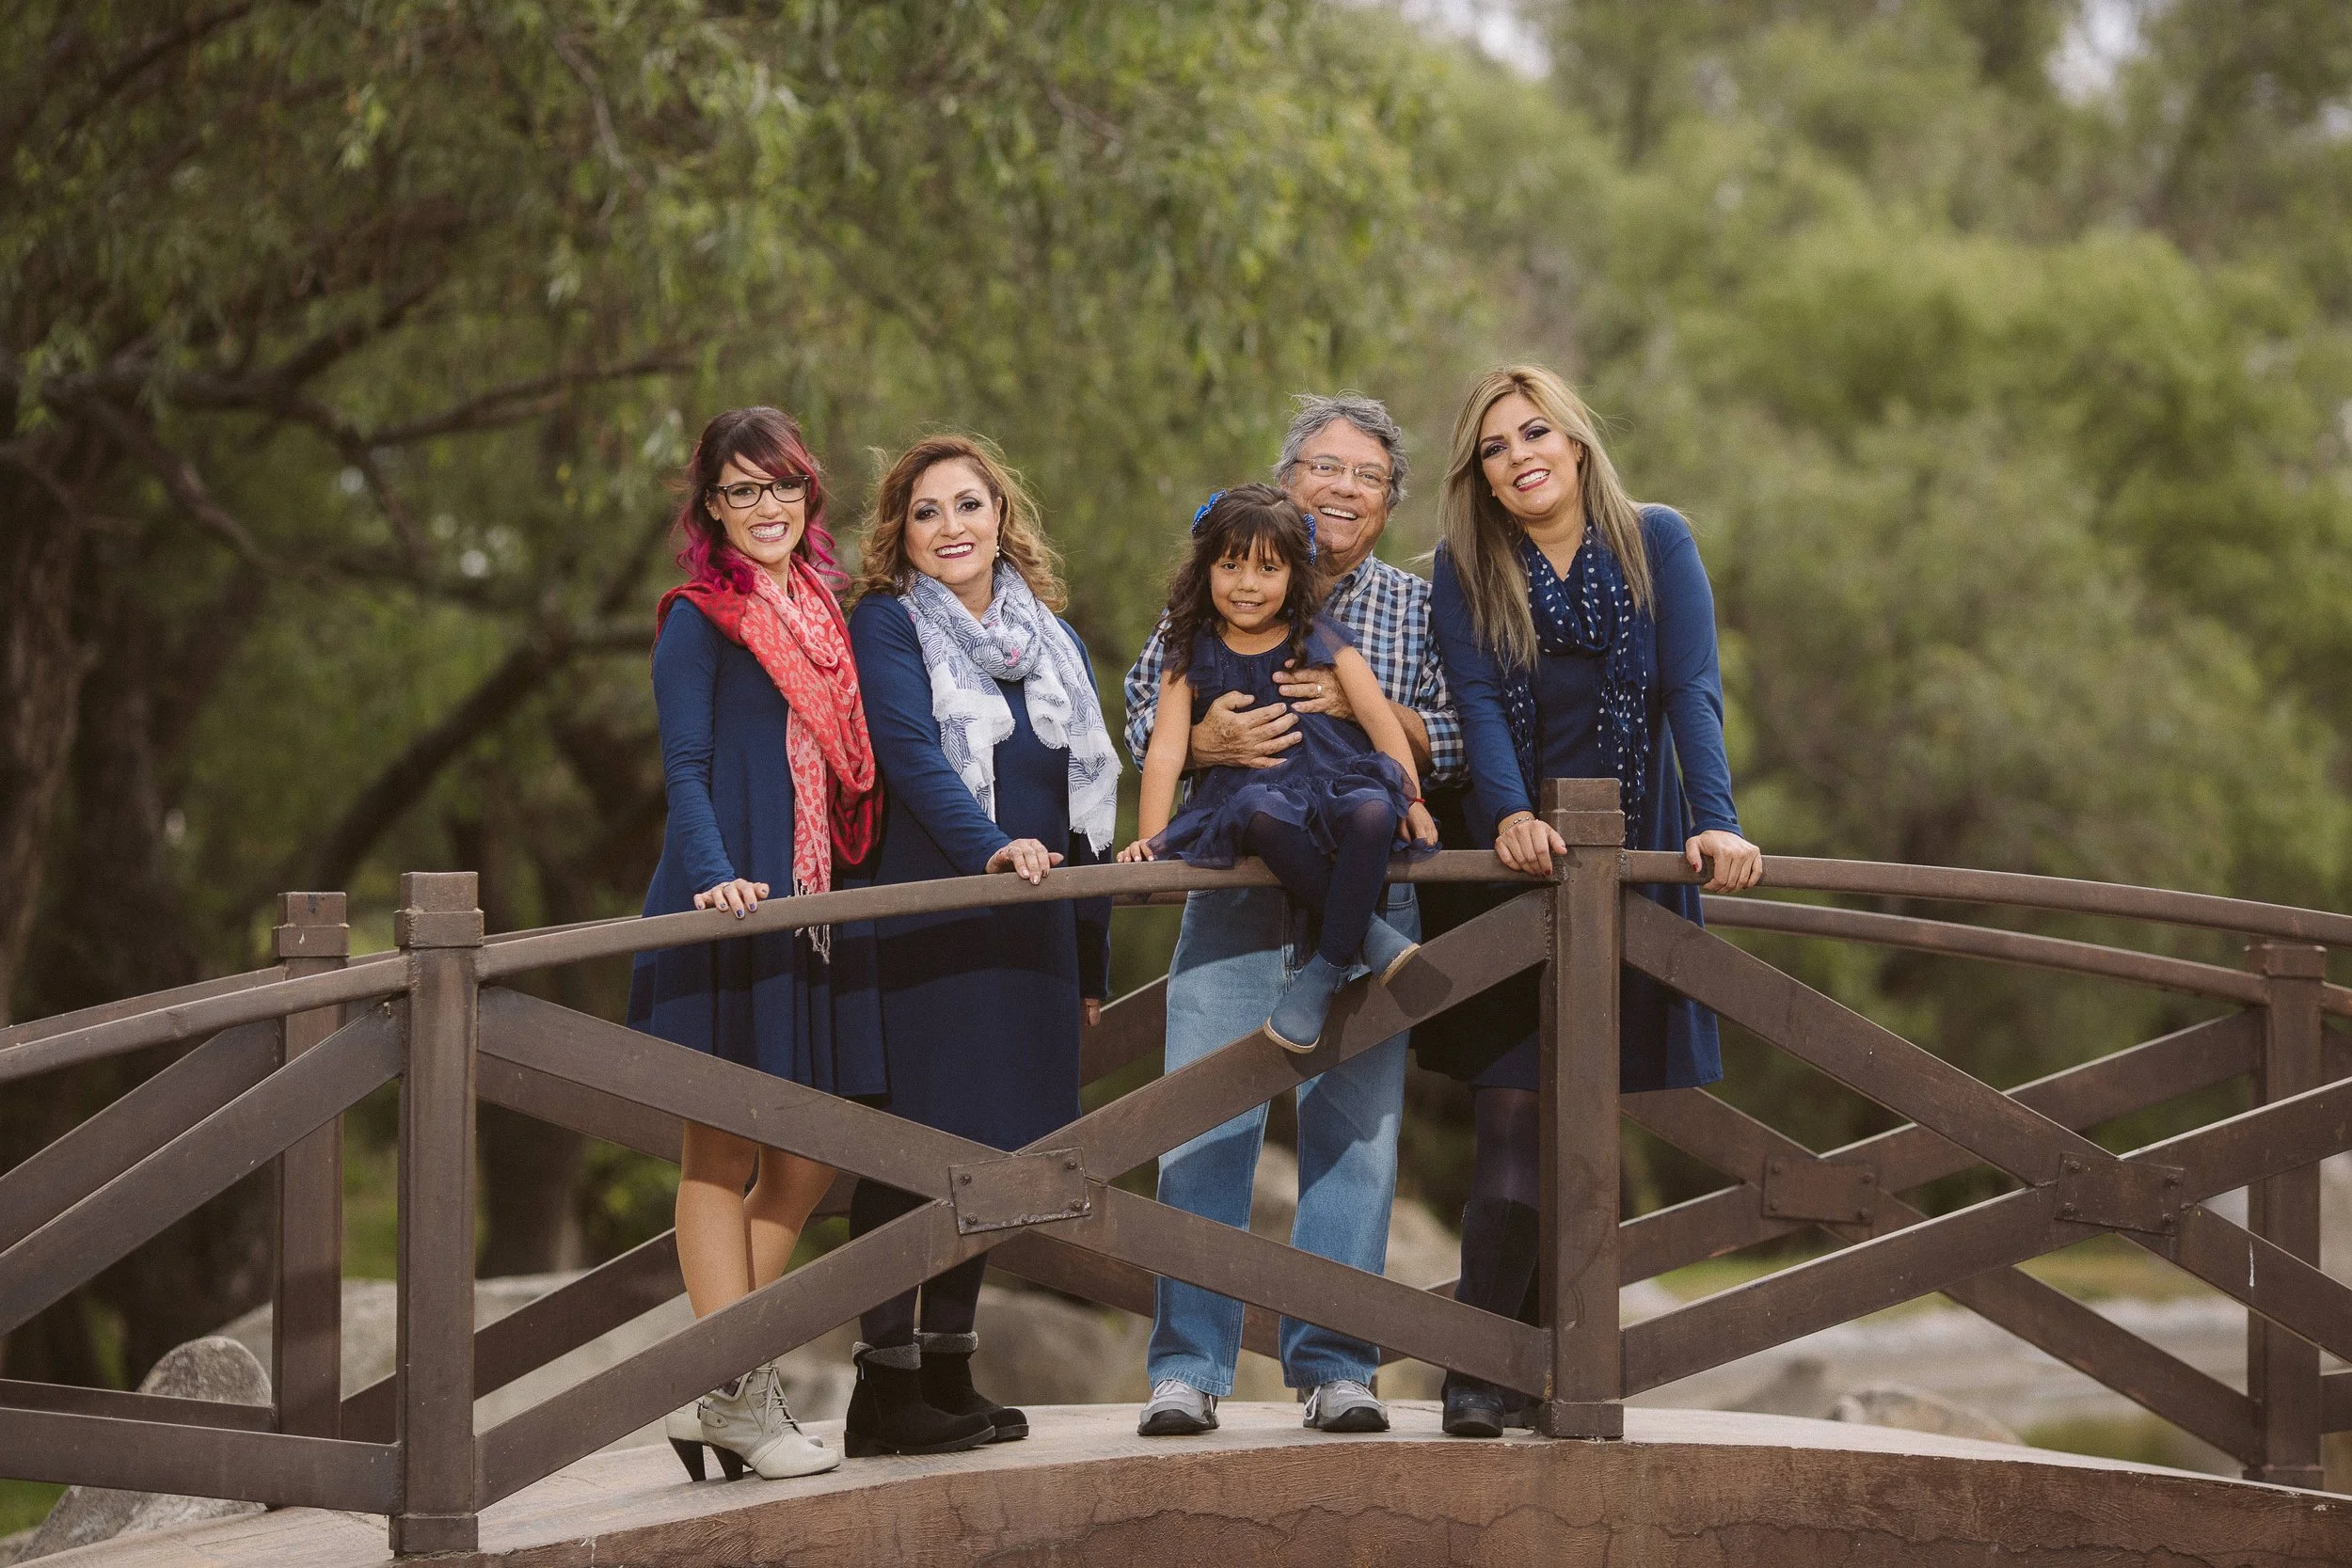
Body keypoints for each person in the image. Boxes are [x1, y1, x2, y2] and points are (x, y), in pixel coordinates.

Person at [1422, 364, 1762, 1437]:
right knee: (1513, 1101)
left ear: (1575, 441)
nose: (1520, 455)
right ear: (1478, 475)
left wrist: (1717, 817)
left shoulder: (1656, 539)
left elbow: (1688, 690)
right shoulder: (1462, 567)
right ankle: (1478, 1370)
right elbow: (1475, 704)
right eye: (1495, 447)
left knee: (1582, 1110)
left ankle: (1547, 1367)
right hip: (1514, 858)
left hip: (1630, 856)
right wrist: (1510, 813)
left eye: (1536, 433)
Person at [1122, 395, 1462, 1438]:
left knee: (1354, 1140)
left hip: (1368, 873)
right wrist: (1217, 737)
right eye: (1323, 465)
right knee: (1205, 1125)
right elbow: (1145, 712)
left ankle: (1335, 1366)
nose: (1341, 486)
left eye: (1365, 474)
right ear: (1288, 478)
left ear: (1390, 498)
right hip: (1234, 888)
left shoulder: (1410, 606)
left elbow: (1449, 736)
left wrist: (1364, 712)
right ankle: (1187, 1368)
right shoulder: (1230, 569)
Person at [842, 434, 1117, 1457]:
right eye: (927, 511)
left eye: (968, 504)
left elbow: (1089, 805)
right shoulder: (886, 624)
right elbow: (911, 754)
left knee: (996, 1149)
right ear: (901, 533)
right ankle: (883, 1386)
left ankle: (949, 1369)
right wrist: (990, 850)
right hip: (932, 914)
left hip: (1034, 928)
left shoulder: (1055, 639)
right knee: (912, 1144)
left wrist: (1092, 957)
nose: (950, 526)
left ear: (1002, 514)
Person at [629, 405, 882, 1481]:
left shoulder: (825, 611)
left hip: (807, 915)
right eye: (742, 490)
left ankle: (722, 1388)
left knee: (810, 1158)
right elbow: (684, 766)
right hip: (726, 910)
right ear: (712, 509)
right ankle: (743, 1387)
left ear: (806, 497)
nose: (765, 507)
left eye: (781, 487)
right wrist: (712, 872)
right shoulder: (699, 616)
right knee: (719, 1154)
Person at [1120, 485, 1438, 1052]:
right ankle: (1365, 936)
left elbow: (1381, 722)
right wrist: (1149, 839)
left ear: (1295, 574)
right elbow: (1167, 749)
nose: (1247, 584)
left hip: (1331, 779)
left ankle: (1324, 969)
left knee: (1370, 813)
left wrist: (1411, 801)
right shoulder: (1189, 648)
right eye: (1230, 565)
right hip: (1254, 792)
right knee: (1256, 813)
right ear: (1206, 569)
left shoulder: (1319, 639)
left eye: (1268, 568)